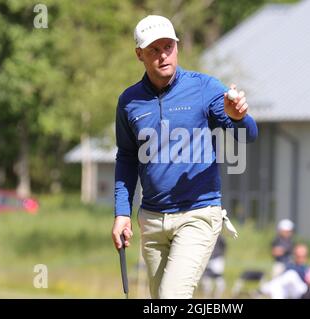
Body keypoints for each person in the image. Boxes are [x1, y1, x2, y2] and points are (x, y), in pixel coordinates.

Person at [111, 15, 258, 299]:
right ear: (139, 54)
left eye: (168, 46)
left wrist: (239, 117)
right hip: (152, 220)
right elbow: (126, 158)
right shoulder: (128, 101)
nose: (163, 55)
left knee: (171, 298)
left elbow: (247, 135)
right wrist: (121, 213)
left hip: (197, 215)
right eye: (154, 49)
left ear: (177, 47)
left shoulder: (204, 88)